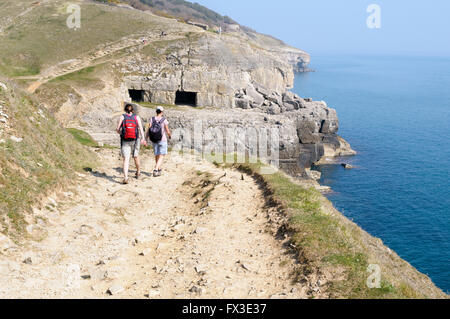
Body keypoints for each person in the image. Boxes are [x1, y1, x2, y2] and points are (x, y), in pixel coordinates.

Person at [116, 103, 147, 184]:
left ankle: (126, 177)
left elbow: (117, 129)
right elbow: (140, 128)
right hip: (135, 139)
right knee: (135, 156)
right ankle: (138, 171)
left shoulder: (122, 117)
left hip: (125, 140)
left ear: (125, 109)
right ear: (132, 110)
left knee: (126, 159)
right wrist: (143, 138)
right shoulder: (136, 117)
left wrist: (121, 133)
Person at [146, 106, 171, 177]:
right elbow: (167, 130)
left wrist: (146, 138)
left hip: (154, 139)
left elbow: (148, 129)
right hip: (162, 139)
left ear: (156, 111)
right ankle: (156, 169)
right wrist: (169, 135)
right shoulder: (164, 120)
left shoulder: (152, 119)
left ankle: (159, 169)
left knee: (157, 155)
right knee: (162, 155)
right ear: (162, 112)